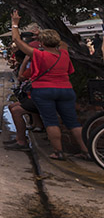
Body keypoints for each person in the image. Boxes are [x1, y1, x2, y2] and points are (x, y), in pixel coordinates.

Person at [9, 10, 90, 161]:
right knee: (73, 122)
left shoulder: (39, 54)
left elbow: (17, 40)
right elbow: (63, 43)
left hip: (44, 91)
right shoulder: (64, 53)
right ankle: (86, 150)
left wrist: (15, 24)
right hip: (66, 90)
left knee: (51, 122)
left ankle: (58, 152)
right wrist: (46, 35)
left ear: (42, 43)